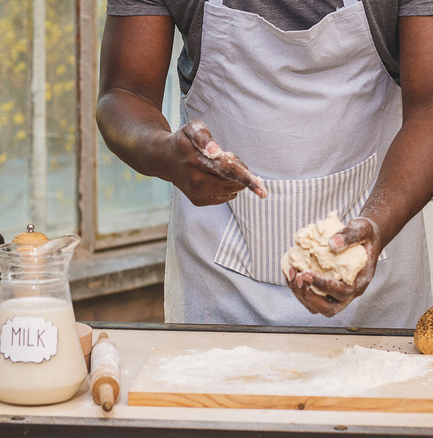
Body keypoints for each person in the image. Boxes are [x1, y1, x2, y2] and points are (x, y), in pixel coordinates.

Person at [96, 0, 433, 328]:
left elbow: (429, 109)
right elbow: (125, 92)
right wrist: (163, 152)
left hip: (377, 289)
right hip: (219, 294)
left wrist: (376, 225)